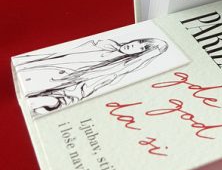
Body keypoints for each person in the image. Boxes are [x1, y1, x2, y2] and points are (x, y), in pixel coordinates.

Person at [16, 37, 168, 115]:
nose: (134, 45)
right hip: (33, 68)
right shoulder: (103, 44)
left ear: (138, 56)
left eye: (140, 49)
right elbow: (60, 53)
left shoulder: (112, 71)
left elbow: (84, 89)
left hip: (46, 87)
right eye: (140, 41)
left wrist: (54, 102)